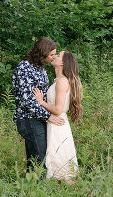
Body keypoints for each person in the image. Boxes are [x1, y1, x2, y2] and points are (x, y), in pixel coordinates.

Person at [12, 37, 65, 174]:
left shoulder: (40, 68)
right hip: (28, 118)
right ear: (43, 52)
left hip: (38, 118)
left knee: (37, 158)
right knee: (39, 159)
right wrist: (48, 116)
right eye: (52, 54)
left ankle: (31, 188)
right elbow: (27, 100)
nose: (53, 57)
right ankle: (35, 189)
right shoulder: (24, 67)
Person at [33, 50, 82, 183]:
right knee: (59, 159)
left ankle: (70, 190)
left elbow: (58, 109)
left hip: (58, 124)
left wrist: (41, 102)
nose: (54, 56)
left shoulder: (62, 82)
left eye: (58, 55)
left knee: (60, 159)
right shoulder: (59, 80)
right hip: (56, 124)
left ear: (63, 63)